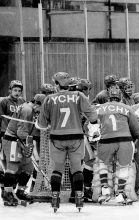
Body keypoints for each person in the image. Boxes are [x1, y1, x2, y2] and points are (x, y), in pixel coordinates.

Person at [36, 72, 98, 212]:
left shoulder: (49, 99)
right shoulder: (78, 95)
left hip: (57, 138)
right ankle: (79, 198)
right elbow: (93, 116)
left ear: (57, 84)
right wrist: (94, 129)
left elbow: (42, 124)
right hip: (76, 137)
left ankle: (55, 199)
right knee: (77, 168)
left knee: (57, 169)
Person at [95, 85, 139, 204]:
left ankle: (104, 191)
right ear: (120, 96)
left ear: (108, 97)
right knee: (124, 167)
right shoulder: (126, 107)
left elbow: (89, 126)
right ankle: (120, 194)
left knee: (102, 164)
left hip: (105, 141)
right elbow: (137, 130)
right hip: (124, 140)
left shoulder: (98, 108)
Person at [1, 93, 46, 206]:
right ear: (37, 104)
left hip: (20, 140)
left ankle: (20, 192)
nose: (41, 111)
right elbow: (21, 132)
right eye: (42, 108)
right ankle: (8, 194)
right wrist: (29, 144)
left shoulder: (31, 109)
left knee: (28, 167)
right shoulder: (27, 110)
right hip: (12, 139)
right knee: (13, 166)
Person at [0, 80, 25, 204]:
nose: (17, 93)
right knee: (5, 165)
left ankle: (12, 191)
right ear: (10, 90)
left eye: (19, 91)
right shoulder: (2, 101)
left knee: (16, 165)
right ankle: (5, 191)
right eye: (15, 90)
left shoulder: (22, 102)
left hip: (18, 137)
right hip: (5, 137)